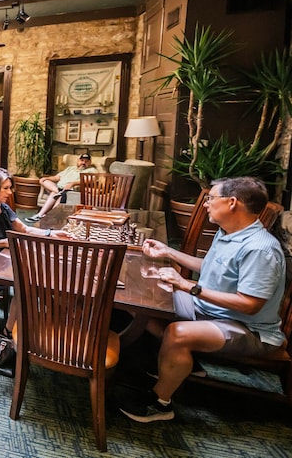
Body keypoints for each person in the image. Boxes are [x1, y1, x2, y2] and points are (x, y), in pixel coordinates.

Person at [118, 176, 286, 423]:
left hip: (249, 328)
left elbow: (250, 305)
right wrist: (168, 251)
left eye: (211, 198)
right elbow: (208, 266)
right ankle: (181, 362)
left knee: (177, 334)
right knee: (139, 299)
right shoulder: (228, 231)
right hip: (210, 309)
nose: (206, 203)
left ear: (232, 203)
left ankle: (160, 403)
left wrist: (188, 286)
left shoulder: (260, 249)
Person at [0, 166, 70, 277]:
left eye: (10, 188)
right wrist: (3, 243)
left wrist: (51, 233)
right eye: (5, 188)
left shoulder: (2, 207)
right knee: (30, 275)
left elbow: (24, 229)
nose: (10, 192)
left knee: (39, 267)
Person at [26, 152, 96, 222]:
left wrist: (73, 183)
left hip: (71, 190)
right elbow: (57, 177)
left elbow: (89, 180)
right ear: (77, 161)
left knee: (56, 194)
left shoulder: (92, 170)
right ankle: (58, 192)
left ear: (90, 162)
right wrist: (46, 178)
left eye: (86, 161)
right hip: (58, 188)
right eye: (82, 160)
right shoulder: (70, 168)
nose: (83, 163)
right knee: (44, 181)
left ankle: (41, 215)